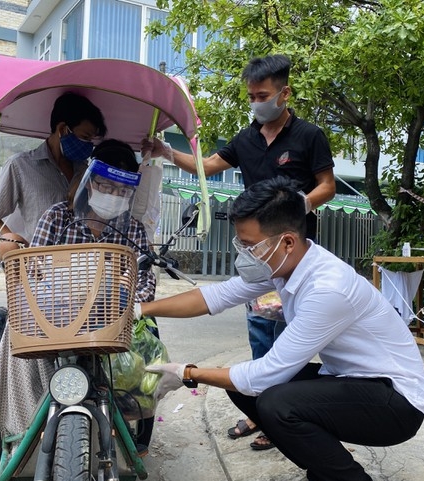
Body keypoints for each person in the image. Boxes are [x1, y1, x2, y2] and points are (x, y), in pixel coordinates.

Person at [138, 177, 424, 481]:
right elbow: (216, 297)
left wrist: (188, 374)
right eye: (241, 244)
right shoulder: (284, 264)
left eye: (249, 246)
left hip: (397, 403)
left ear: (288, 241)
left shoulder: (326, 288)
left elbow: (266, 375)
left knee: (276, 402)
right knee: (242, 390)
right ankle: (326, 473)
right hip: (356, 381)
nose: (244, 254)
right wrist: (139, 309)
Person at [141, 54, 336, 449]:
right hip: (256, 256)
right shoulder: (246, 139)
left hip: (290, 255)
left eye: (262, 95)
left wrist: (297, 207)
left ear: (285, 93)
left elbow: (327, 185)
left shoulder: (309, 135)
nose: (255, 102)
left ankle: (286, 415)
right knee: (261, 329)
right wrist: (164, 151)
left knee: (289, 334)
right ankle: (260, 412)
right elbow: (207, 165)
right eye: (250, 96)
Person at [0, 139, 158, 453]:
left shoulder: (133, 229)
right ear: (90, 184)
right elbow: (34, 271)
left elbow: (144, 283)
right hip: (56, 314)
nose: (113, 195)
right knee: (17, 330)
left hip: (111, 318)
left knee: (150, 338)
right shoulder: (57, 217)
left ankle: (135, 428)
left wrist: (127, 297)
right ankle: (25, 426)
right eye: (106, 186)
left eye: (122, 191)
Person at [0, 91, 107, 259]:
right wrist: (16, 245)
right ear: (62, 129)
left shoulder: (86, 171)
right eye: (84, 137)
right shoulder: (21, 165)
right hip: (38, 267)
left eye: (91, 140)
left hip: (80, 268)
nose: (88, 145)